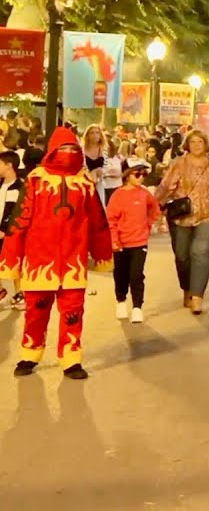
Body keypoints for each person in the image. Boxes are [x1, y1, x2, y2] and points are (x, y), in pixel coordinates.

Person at [1, 127, 113, 379]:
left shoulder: (84, 183)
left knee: (73, 312)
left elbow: (97, 221)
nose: (68, 154)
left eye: (73, 149)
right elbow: (20, 221)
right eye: (63, 149)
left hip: (73, 260)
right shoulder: (36, 180)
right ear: (52, 151)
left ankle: (71, 358)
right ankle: (30, 354)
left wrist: (102, 253)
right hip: (40, 259)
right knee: (36, 311)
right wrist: (12, 258)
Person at [157, 130, 209, 315]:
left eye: (200, 142)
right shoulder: (178, 163)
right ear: (187, 145)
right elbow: (165, 186)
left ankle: (197, 296)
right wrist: (155, 206)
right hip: (182, 216)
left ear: (206, 144)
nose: (197, 145)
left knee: (201, 253)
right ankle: (187, 288)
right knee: (182, 255)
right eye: (193, 142)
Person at [106, 162, 161, 323]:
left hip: (140, 241)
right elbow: (111, 219)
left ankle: (137, 307)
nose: (141, 178)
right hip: (121, 243)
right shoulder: (118, 195)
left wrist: (149, 224)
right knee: (121, 274)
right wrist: (114, 240)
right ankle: (121, 301)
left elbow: (154, 208)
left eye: (144, 174)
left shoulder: (144, 194)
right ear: (127, 175)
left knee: (137, 275)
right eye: (137, 174)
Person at [0, 151, 25, 309]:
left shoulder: (19, 187)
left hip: (10, 232)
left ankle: (20, 294)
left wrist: (4, 229)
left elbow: (15, 212)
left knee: (15, 262)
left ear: (9, 166)